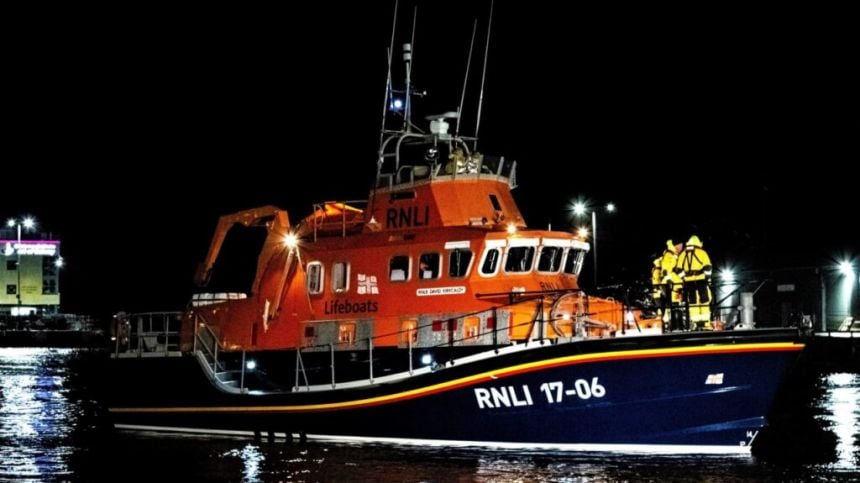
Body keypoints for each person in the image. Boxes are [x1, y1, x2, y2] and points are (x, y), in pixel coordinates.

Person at [675, 235, 713, 330]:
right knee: (704, 300)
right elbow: (708, 267)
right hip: (701, 279)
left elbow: (678, 269)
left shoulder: (683, 254)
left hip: (689, 282)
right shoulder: (702, 252)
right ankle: (704, 323)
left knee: (692, 301)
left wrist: (684, 278)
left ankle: (696, 323)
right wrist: (707, 278)